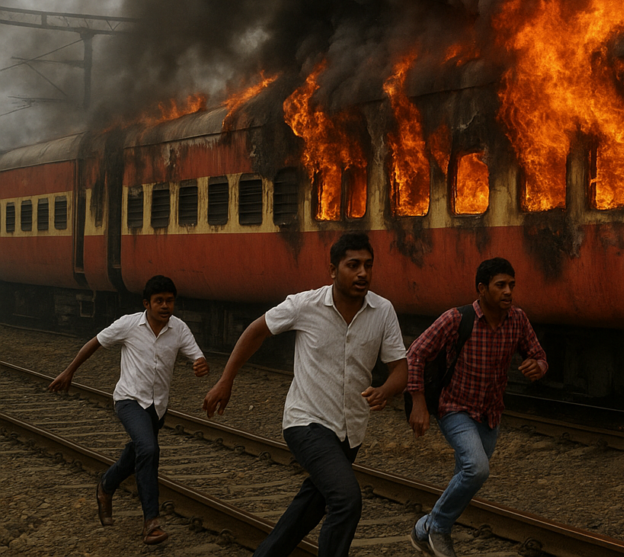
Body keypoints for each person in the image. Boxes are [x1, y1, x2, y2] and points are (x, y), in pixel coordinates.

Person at [201, 232, 407, 557]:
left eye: (368, 265)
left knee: (311, 506)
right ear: (333, 270)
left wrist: (386, 390)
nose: (363, 273)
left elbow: (400, 369)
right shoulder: (304, 305)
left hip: (351, 430)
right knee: (346, 499)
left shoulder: (382, 311)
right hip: (306, 422)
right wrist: (226, 380)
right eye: (353, 265)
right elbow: (256, 331)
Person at [50, 275, 208, 546]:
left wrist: (201, 364)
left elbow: (198, 356)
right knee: (149, 450)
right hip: (128, 401)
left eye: (169, 301)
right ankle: (151, 523)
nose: (165, 306)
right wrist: (69, 372)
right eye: (159, 301)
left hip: (157, 407)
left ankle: (106, 485)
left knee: (138, 453)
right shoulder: (128, 324)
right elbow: (95, 342)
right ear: (147, 303)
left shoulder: (179, 328)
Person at [407, 257, 548, 557]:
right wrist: (418, 402)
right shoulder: (456, 319)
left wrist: (538, 366)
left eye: (511, 285)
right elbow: (415, 353)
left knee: (466, 478)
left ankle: (422, 528)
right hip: (454, 408)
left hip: (490, 415)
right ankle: (439, 529)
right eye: (500, 285)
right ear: (482, 289)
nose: (508, 291)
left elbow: (539, 355)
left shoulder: (517, 320)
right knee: (477, 469)